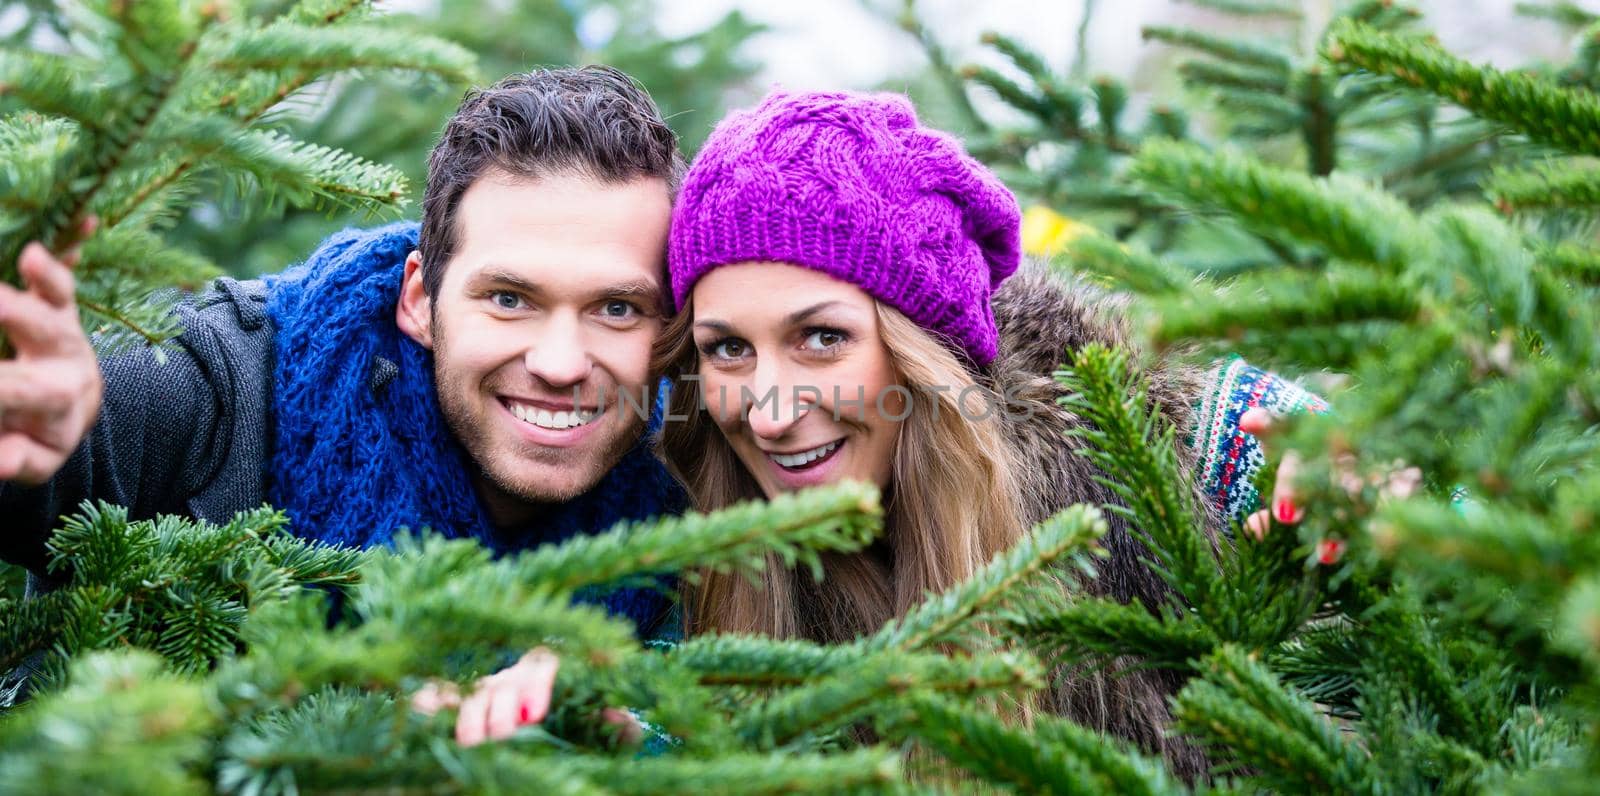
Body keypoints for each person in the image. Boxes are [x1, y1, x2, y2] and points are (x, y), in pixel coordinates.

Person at [647, 89, 1327, 776]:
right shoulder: (683, 536)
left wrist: (1360, 502)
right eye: (728, 349)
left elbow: (1426, 513)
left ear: (924, 352)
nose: (768, 412)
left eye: (822, 338)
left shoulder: (1176, 443)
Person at [0, 67, 690, 707]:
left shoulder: (692, 487)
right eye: (510, 299)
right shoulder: (225, 378)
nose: (561, 363)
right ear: (419, 298)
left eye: (617, 308)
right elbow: (53, 443)